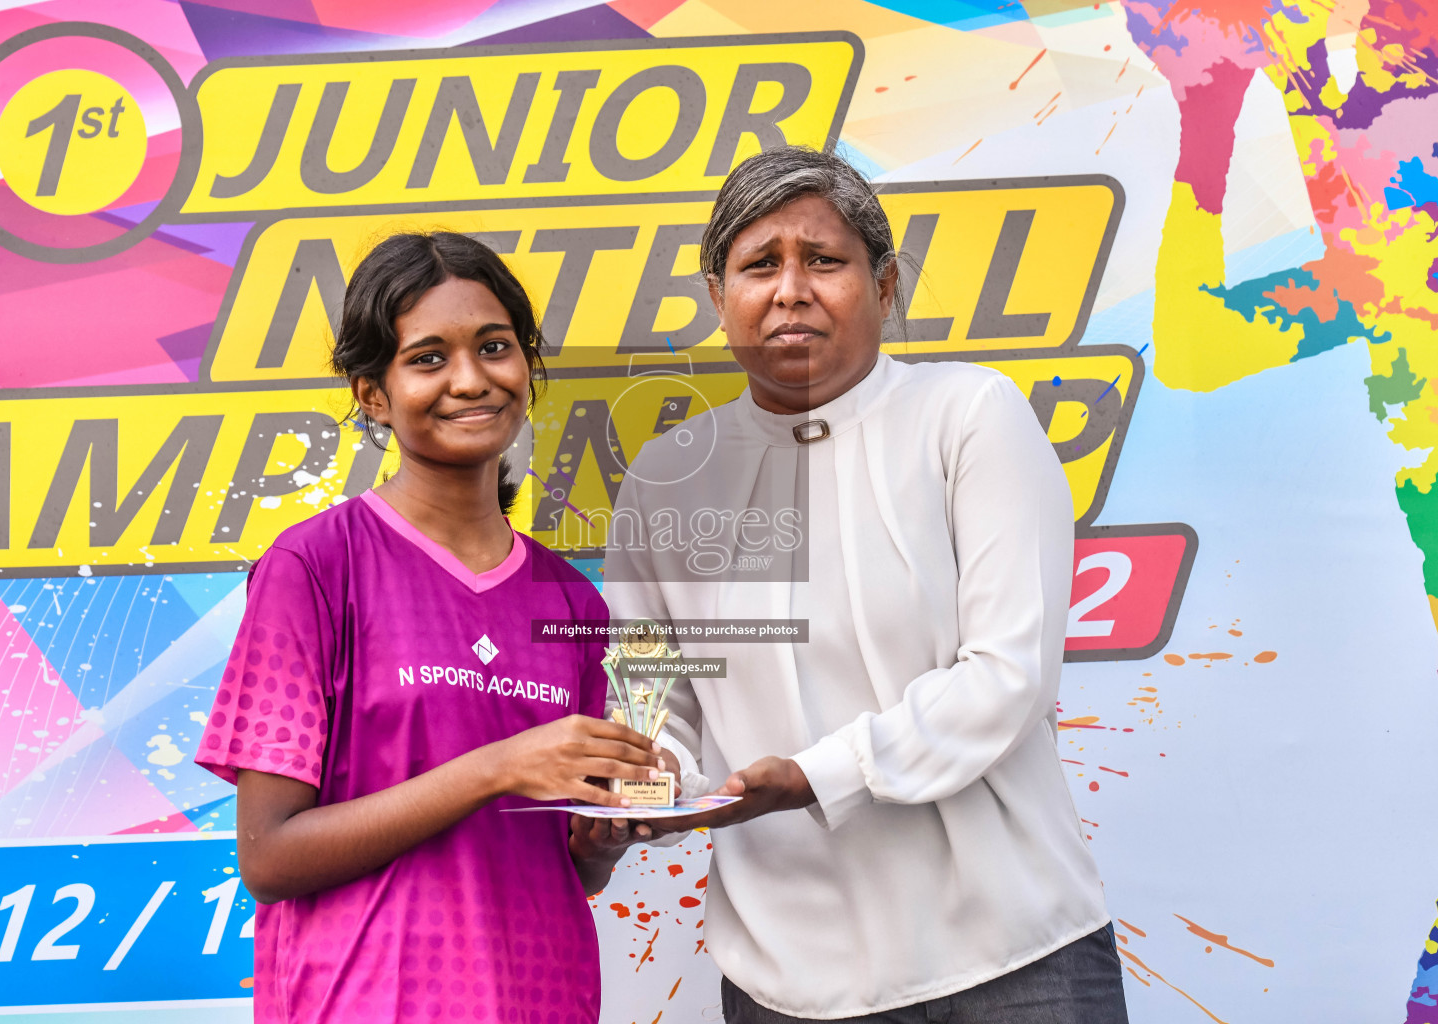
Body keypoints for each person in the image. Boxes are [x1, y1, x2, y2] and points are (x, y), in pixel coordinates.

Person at [604, 148, 1129, 1022]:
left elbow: (1007, 677)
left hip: (1014, 957)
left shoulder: (967, 417)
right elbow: (652, 699)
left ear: (885, 287)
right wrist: (654, 775)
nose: (790, 289)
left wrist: (812, 776)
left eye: (825, 260)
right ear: (716, 297)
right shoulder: (668, 478)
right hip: (787, 978)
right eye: (759, 264)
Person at [194, 231, 665, 1024]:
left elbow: (570, 870)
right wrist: (497, 767)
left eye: (494, 347)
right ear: (372, 394)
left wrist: (609, 834)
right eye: (427, 358)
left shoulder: (572, 606)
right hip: (364, 1002)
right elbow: (270, 857)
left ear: (527, 368)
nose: (471, 380)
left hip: (543, 999)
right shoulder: (315, 568)